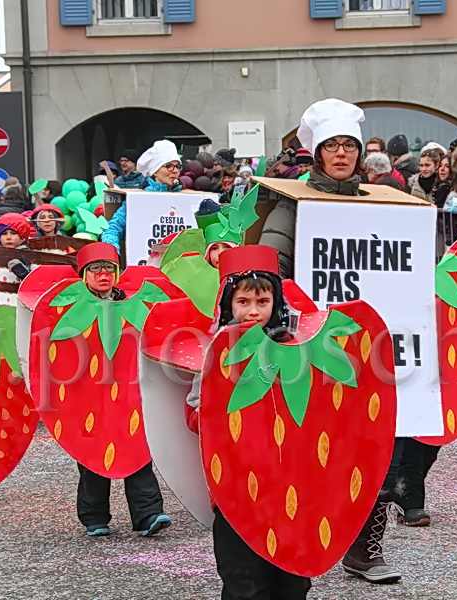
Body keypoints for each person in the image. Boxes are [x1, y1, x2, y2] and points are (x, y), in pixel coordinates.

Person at [184, 245, 312, 599]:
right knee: (243, 577)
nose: (253, 311)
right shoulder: (216, 352)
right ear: (230, 304)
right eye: (243, 302)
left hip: (288, 483)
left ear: (276, 303)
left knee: (292, 576)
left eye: (262, 302)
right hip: (235, 485)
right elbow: (196, 410)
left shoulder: (298, 348)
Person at [73, 242, 172, 537]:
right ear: (84, 275)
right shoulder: (71, 308)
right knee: (92, 455)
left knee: (137, 449)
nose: (103, 274)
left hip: (129, 391)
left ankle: (148, 514)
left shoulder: (133, 305)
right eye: (95, 269)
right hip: (89, 394)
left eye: (109, 268)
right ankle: (94, 516)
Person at [259, 98, 366, 278]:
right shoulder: (292, 207)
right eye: (331, 145)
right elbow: (270, 271)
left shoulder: (375, 205)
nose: (341, 153)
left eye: (349, 144)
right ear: (318, 155)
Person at [102, 140, 182, 252]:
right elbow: (113, 227)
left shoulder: (186, 198)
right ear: (155, 171)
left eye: (178, 166)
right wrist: (112, 253)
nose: (175, 171)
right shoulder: (139, 200)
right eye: (168, 166)